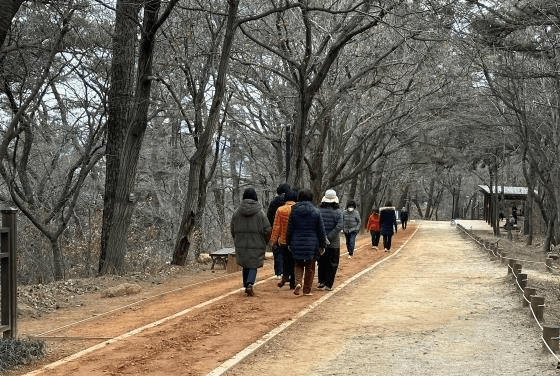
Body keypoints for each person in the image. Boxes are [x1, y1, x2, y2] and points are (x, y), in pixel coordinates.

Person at [230, 188, 272, 297]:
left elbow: (232, 229)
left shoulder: (237, 213)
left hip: (241, 242)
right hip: (257, 243)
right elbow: (268, 230)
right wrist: (266, 241)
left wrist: (237, 239)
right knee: (253, 264)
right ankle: (249, 284)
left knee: (245, 264)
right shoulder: (260, 213)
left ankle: (245, 284)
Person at [286, 189, 327, 296]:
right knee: (310, 267)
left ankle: (298, 282)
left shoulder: (294, 210)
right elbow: (321, 230)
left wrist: (288, 242)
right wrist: (323, 244)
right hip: (312, 243)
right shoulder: (316, 211)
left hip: (296, 241)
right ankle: (306, 290)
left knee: (298, 264)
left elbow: (289, 228)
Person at [269, 189, 298, 289]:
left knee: (286, 259)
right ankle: (293, 282)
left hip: (283, 240)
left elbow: (276, 226)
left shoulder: (280, 210)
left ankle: (285, 275)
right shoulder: (297, 209)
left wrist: (274, 240)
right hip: (295, 240)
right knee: (294, 261)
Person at [317, 189, 343, 291]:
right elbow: (339, 226)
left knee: (321, 262)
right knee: (332, 263)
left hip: (321, 242)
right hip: (334, 243)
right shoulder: (338, 212)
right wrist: (329, 237)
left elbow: (317, 225)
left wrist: (323, 238)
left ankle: (321, 281)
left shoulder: (318, 211)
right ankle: (328, 284)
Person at [267, 183, 291, 279]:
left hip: (276, 228)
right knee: (288, 251)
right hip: (288, 229)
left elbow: (269, 215)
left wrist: (273, 225)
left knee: (277, 250)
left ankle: (279, 272)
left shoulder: (274, 202)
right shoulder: (291, 201)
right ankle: (288, 272)